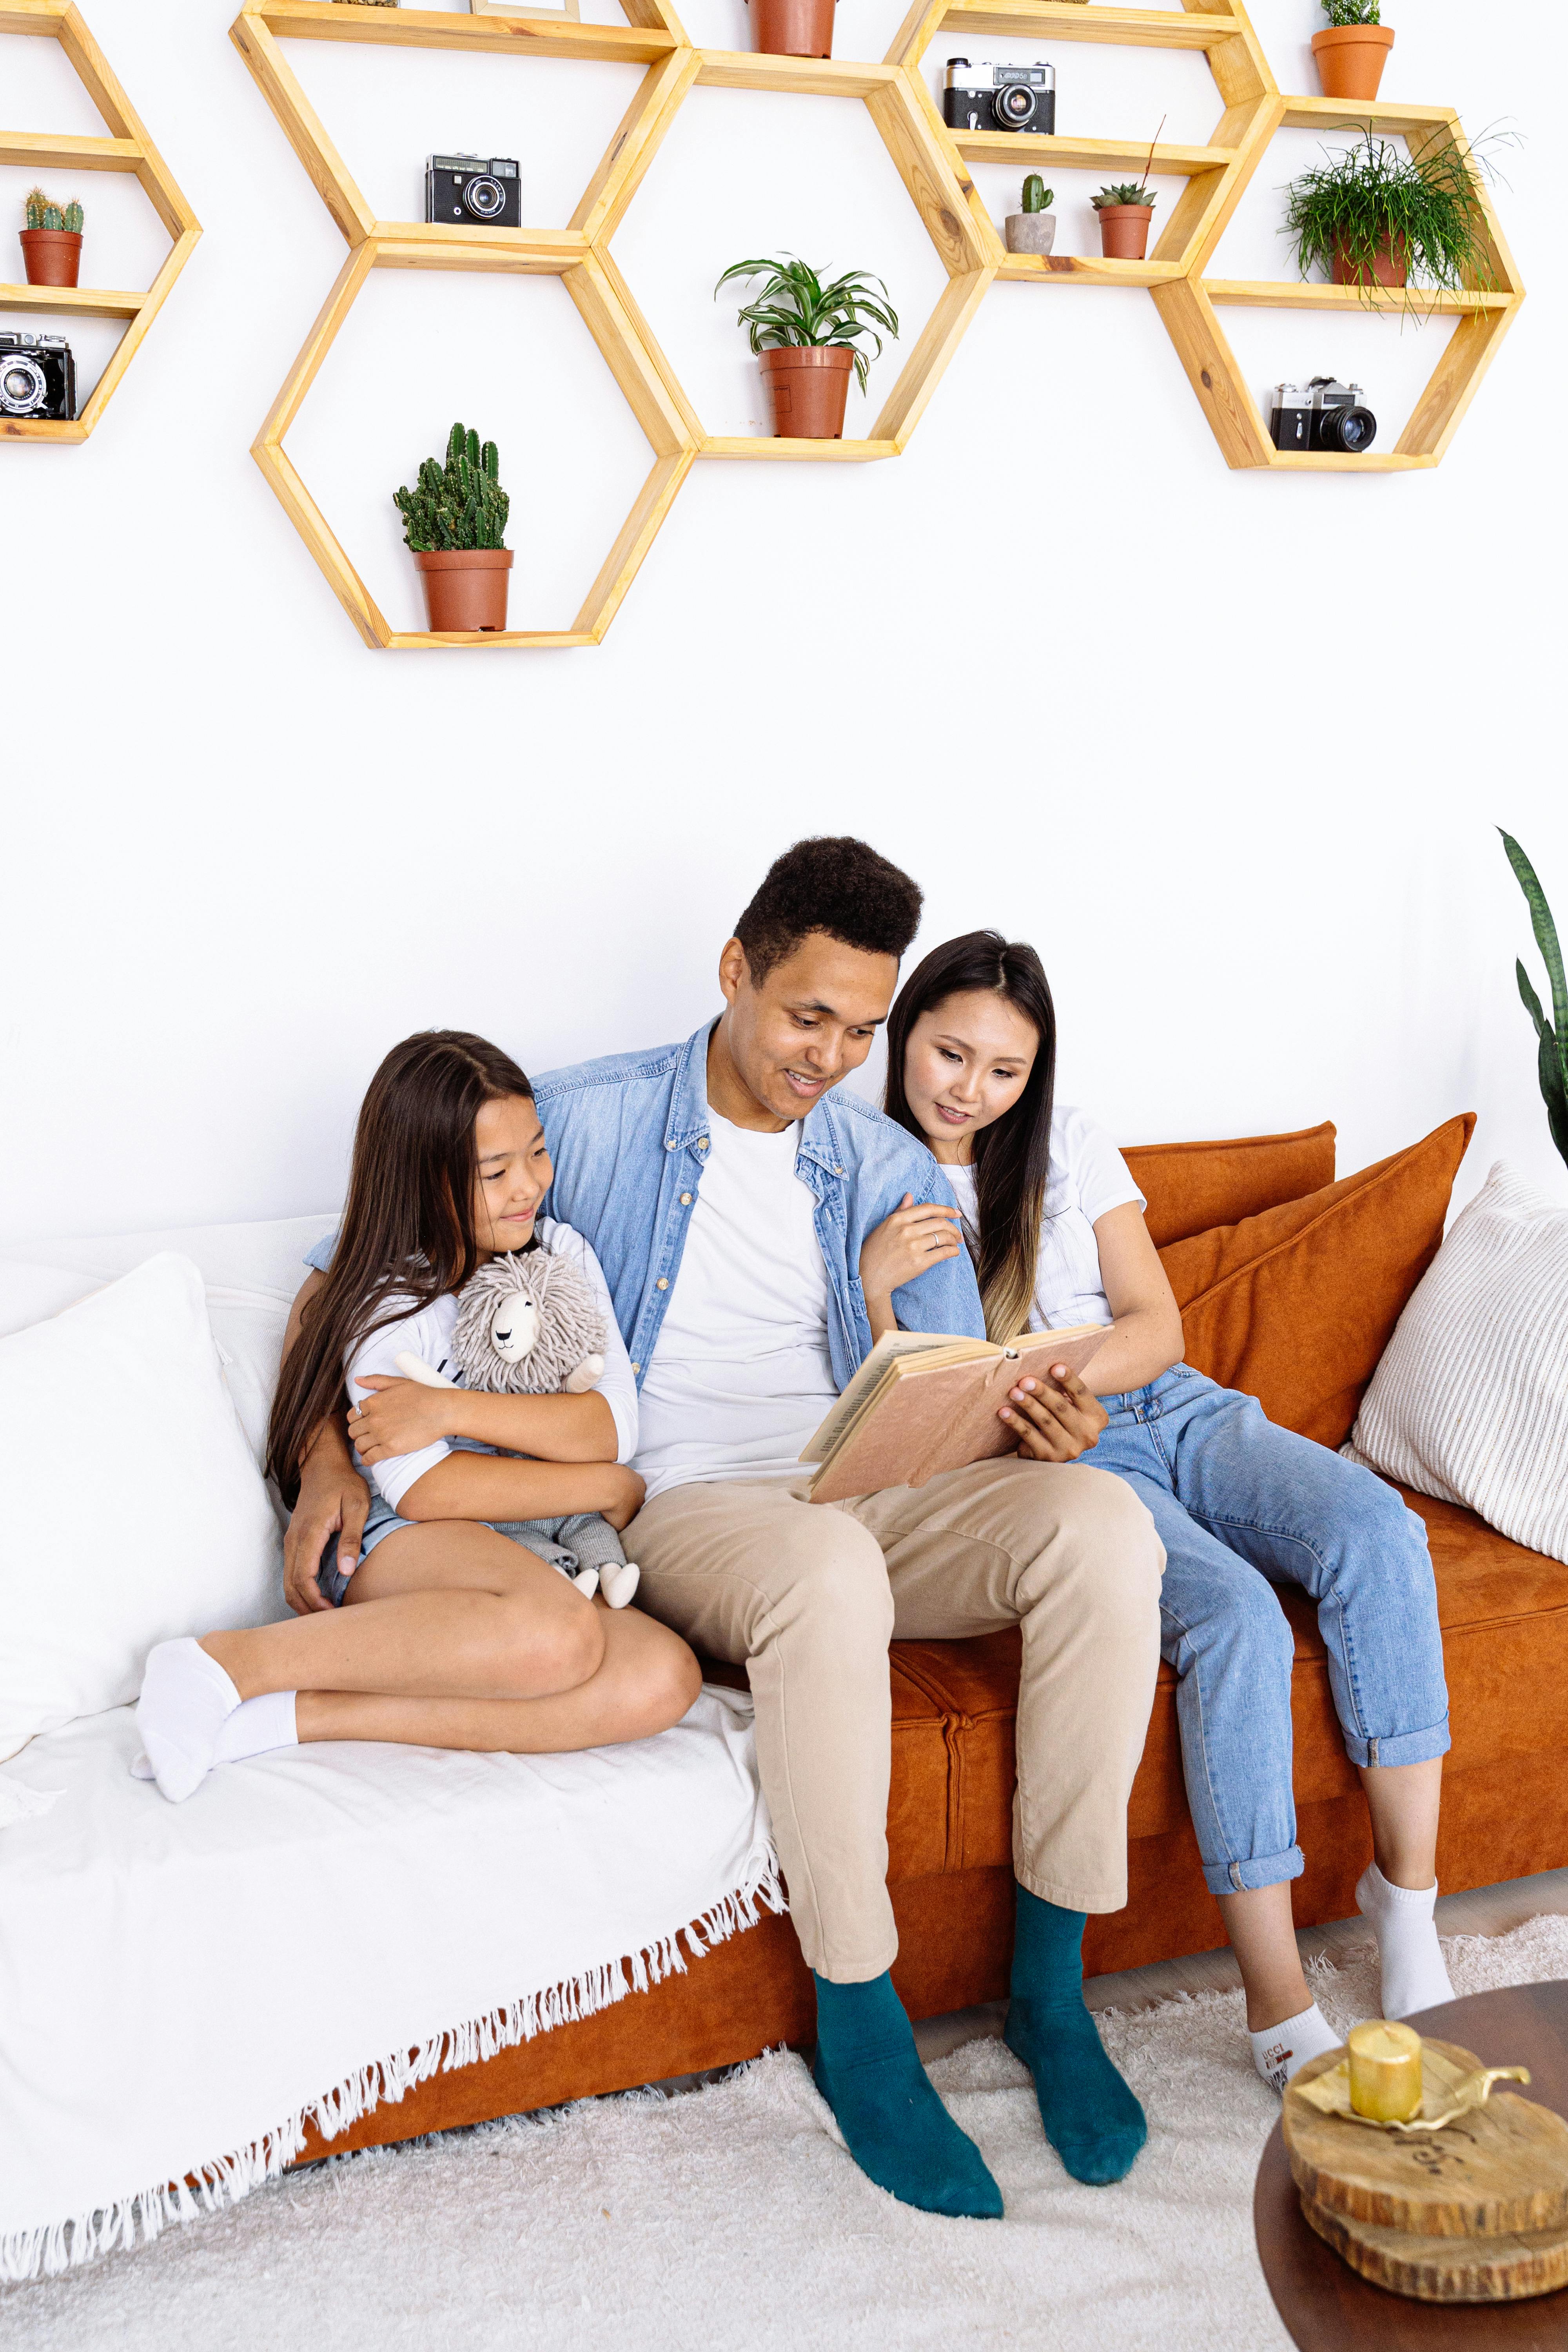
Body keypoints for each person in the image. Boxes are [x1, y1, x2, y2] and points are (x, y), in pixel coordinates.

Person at [288, 839, 1166, 2221]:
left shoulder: (888, 1162)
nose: (830, 1056)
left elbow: (941, 1382)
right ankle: (862, 2018)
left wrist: (1028, 1421)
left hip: (865, 1481)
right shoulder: (583, 1123)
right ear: (735, 972)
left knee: (1104, 1527)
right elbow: (341, 1281)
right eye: (805, 1016)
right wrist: (329, 1464)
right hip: (696, 1503)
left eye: (861, 1029)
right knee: (826, 1572)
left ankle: (1051, 1995)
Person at [882, 928, 1454, 2092]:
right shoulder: (860, 1171)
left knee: (1379, 1532)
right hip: (1057, 1460)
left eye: (1004, 1072)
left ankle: (1407, 1903)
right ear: (904, 1037)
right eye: (950, 1054)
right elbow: (903, 1387)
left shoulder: (1072, 1145)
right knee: (1233, 1617)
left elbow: (1156, 1326)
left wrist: (1067, 1374)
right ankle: (1279, 2000)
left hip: (1172, 1406)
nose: (971, 1091)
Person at [132, 1031, 700, 1804]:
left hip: (529, 1543)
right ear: (421, 1182)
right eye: (493, 1172)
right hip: (406, 1537)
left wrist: (453, 1409)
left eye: (535, 1153)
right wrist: (599, 1485)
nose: (527, 1185)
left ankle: (285, 1720)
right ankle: (231, 1662)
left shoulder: (563, 1258)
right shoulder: (388, 1300)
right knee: (555, 1638)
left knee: (661, 1677)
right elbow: (428, 1490)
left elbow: (612, 1427)